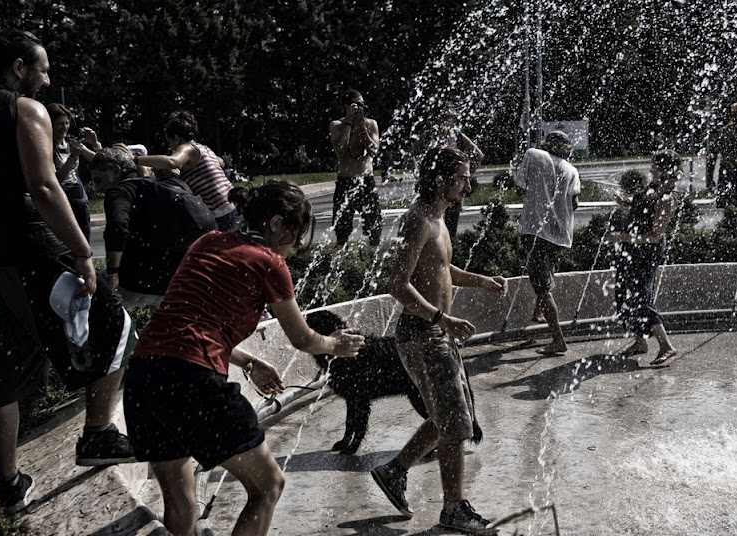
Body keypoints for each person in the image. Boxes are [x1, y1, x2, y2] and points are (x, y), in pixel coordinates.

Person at [123, 180, 365, 536]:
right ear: (277, 223)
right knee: (268, 486)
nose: (297, 245)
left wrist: (248, 363)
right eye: (296, 233)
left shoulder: (208, 242)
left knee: (179, 495)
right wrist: (336, 345)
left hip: (145, 375)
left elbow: (187, 323)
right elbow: (302, 338)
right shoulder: (269, 262)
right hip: (192, 380)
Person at [0, 29, 136, 515]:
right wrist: (79, 252)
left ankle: (9, 486)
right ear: (18, 68)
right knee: (115, 323)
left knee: (1, 375)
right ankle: (98, 433)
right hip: (29, 248)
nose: (47, 80)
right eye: (43, 68)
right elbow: (44, 186)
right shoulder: (23, 109)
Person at [371, 147, 507, 535]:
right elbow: (397, 283)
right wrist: (440, 318)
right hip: (423, 334)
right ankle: (453, 509)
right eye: (462, 178)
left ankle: (393, 471)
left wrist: (483, 281)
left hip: (436, 332)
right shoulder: (417, 221)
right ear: (439, 180)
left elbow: (444, 270)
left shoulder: (438, 219)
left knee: (450, 413)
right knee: (455, 422)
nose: (469, 183)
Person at [89, 147, 216, 309]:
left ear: (115, 171)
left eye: (98, 180)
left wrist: (112, 275)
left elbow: (117, 229)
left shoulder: (119, 191)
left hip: (140, 284)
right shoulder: (163, 185)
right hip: (176, 282)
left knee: (91, 284)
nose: (97, 188)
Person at [606, 150, 680, 366]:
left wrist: (621, 237)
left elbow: (655, 237)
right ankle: (640, 341)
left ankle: (666, 346)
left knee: (640, 297)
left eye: (655, 166)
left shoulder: (668, 198)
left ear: (666, 170)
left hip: (647, 252)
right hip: (632, 249)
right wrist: (626, 201)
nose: (651, 169)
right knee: (623, 293)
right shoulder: (654, 189)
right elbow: (643, 205)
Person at [514, 131, 580, 355]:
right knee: (546, 272)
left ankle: (558, 340)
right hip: (560, 234)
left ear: (547, 144)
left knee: (542, 286)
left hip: (535, 231)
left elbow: (519, 189)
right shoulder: (572, 169)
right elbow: (575, 203)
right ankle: (538, 313)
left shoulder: (533, 155)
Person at [134, 110, 238, 231]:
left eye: (169, 142)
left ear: (177, 139)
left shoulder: (187, 147)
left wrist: (135, 159)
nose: (169, 147)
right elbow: (221, 162)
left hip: (221, 213)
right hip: (233, 205)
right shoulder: (203, 148)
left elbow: (171, 162)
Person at [409, 105, 484, 239]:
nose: (450, 121)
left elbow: (478, 155)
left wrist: (465, 176)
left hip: (453, 187)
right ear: (438, 119)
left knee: (450, 227)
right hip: (432, 187)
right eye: (447, 117)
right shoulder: (429, 135)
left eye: (453, 118)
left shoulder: (457, 135)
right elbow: (411, 153)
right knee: (428, 223)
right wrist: (418, 172)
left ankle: (448, 253)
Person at [329, 88, 382, 246]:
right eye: (356, 105)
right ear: (346, 106)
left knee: (374, 226)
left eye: (362, 104)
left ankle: (373, 257)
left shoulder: (371, 124)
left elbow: (373, 151)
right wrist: (349, 123)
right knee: (342, 230)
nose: (360, 108)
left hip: (366, 180)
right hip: (345, 180)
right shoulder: (336, 125)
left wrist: (361, 127)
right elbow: (340, 150)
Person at [45, 102, 101, 241]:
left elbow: (100, 160)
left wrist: (95, 144)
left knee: (84, 242)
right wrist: (74, 156)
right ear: (50, 124)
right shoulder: (47, 147)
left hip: (80, 201)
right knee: (66, 244)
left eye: (67, 123)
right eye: (60, 124)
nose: (65, 127)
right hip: (62, 203)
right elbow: (55, 179)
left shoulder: (72, 143)